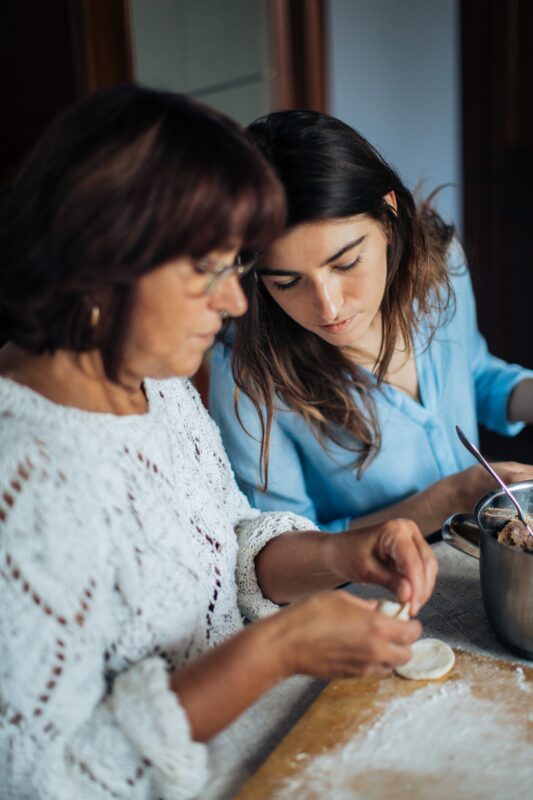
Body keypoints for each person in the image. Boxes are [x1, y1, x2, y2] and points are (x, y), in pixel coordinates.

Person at [0, 87, 437, 800]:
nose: (237, 302)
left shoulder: (153, 382)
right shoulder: (22, 476)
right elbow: (43, 782)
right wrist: (276, 651)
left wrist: (339, 555)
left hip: (270, 748)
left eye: (236, 266)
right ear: (100, 259)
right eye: (207, 268)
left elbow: (226, 551)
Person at [209, 110, 533, 536]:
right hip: (369, 594)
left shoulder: (440, 266)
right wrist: (445, 501)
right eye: (287, 282)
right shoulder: (245, 376)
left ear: (387, 214)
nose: (328, 308)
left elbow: (474, 374)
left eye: (346, 263)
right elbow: (288, 549)